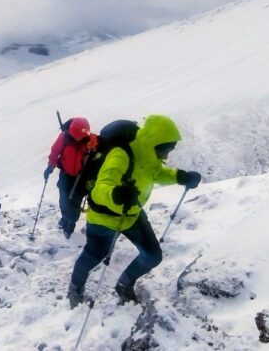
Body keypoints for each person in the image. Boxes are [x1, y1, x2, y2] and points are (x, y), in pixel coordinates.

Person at [67, 114, 202, 306]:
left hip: (132, 214)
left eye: (170, 149)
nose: (167, 155)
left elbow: (156, 172)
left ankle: (124, 284)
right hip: (103, 218)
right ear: (154, 142)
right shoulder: (120, 155)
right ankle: (75, 290)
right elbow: (99, 189)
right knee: (93, 256)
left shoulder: (150, 154)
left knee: (153, 255)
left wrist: (180, 177)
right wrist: (116, 194)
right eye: (166, 149)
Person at [43, 117, 97, 238]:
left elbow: (97, 157)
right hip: (65, 174)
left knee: (75, 201)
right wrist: (50, 166)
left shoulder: (91, 141)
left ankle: (71, 222)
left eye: (79, 136)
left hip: (81, 177)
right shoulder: (64, 137)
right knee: (63, 199)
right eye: (75, 136)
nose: (77, 138)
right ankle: (65, 217)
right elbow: (55, 152)